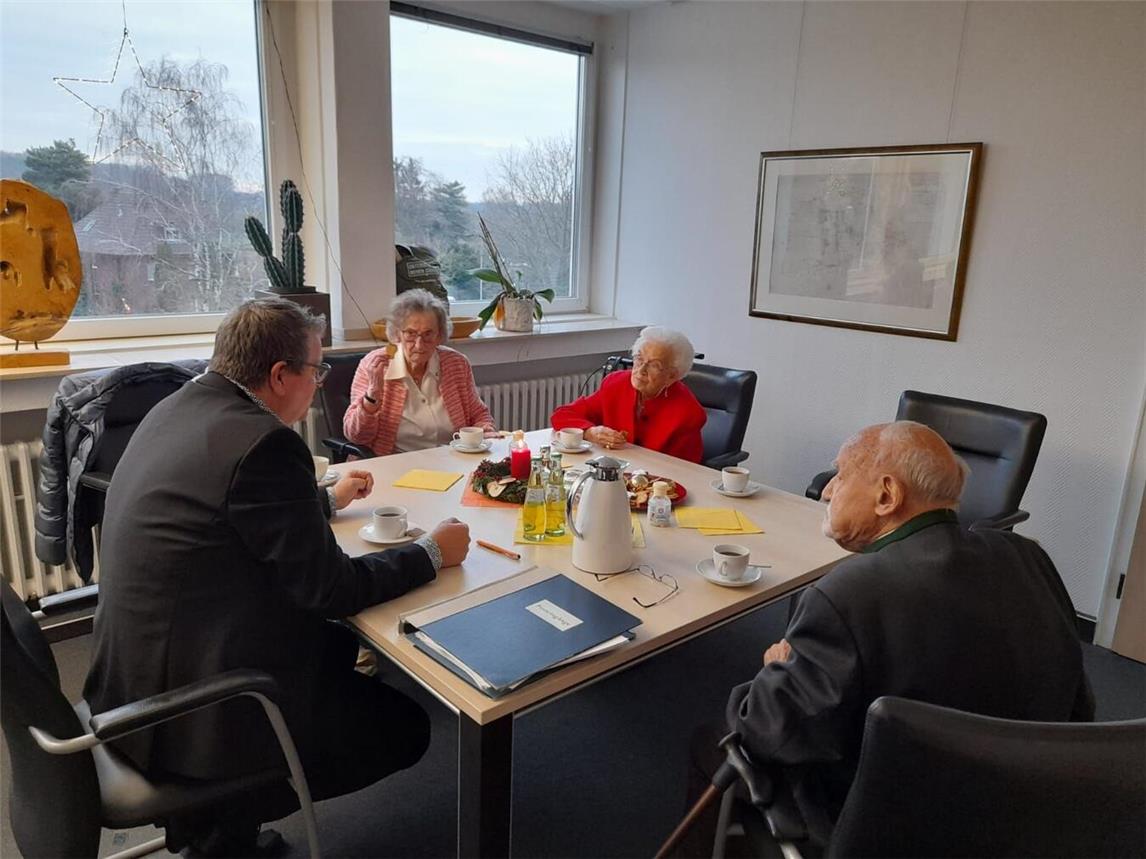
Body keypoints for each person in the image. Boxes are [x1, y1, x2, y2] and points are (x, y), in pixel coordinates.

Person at [83, 298, 471, 855]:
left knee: (341, 651)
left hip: (129, 681)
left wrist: (323, 502)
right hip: (196, 715)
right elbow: (331, 590)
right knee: (404, 723)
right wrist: (433, 552)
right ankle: (229, 814)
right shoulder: (266, 444)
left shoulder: (179, 406)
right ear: (279, 375)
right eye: (316, 370)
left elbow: (231, 508)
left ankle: (222, 828)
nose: (318, 383)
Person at [681, 421, 1093, 852]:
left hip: (892, 828)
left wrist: (776, 672)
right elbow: (1079, 700)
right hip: (1034, 813)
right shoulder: (1028, 555)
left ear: (886, 497)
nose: (826, 491)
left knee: (709, 742)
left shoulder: (848, 592)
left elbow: (765, 733)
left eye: (840, 476)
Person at [344, 289, 495, 455]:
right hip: (395, 463)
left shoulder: (456, 364)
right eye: (410, 333)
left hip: (452, 460)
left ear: (439, 335)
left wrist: (485, 431)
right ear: (397, 334)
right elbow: (356, 436)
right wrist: (372, 397)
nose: (419, 344)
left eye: (428, 334)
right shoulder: (374, 365)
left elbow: (479, 414)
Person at [551, 326, 706, 462]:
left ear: (672, 375)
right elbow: (563, 414)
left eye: (654, 365)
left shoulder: (688, 413)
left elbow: (685, 469)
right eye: (639, 359)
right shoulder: (616, 384)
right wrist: (590, 432)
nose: (641, 370)